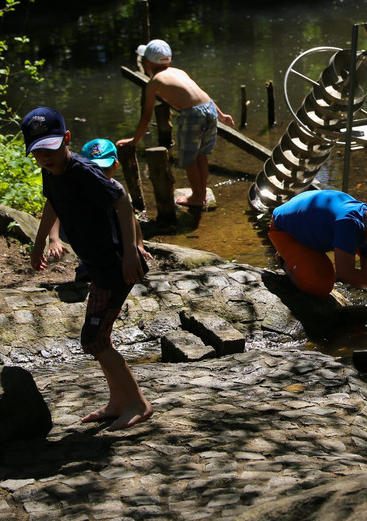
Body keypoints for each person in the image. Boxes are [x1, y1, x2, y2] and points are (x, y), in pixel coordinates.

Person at [23, 106, 154, 430]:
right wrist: (40, 242)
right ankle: (118, 401)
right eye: (38, 151)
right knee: (99, 336)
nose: (45, 157)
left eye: (51, 148)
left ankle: (138, 403)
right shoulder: (50, 171)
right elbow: (51, 202)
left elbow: (122, 200)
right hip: (97, 266)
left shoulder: (83, 171)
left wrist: (129, 252)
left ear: (67, 139)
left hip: (115, 266)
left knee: (94, 339)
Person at [116, 38, 235, 209]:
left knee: (188, 159)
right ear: (169, 60)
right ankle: (201, 194)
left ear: (147, 62)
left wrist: (134, 140)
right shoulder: (179, 72)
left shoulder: (154, 82)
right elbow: (203, 94)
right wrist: (221, 115)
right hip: (208, 109)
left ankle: (196, 196)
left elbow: (146, 116)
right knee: (201, 155)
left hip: (193, 115)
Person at [45, 139, 152, 282]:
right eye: (95, 170)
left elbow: (131, 218)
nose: (99, 175)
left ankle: (103, 262)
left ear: (115, 165)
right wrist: (54, 239)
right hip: (77, 231)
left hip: (104, 233)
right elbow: (54, 204)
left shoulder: (116, 189)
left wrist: (138, 247)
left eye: (104, 170)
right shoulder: (75, 184)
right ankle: (86, 262)